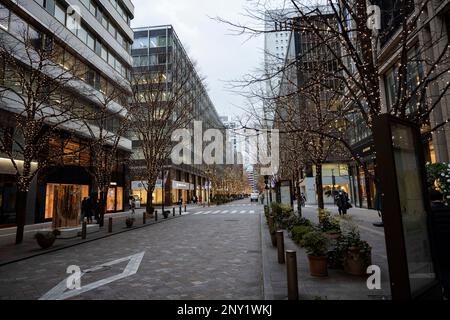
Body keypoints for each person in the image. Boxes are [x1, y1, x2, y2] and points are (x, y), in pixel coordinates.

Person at [428, 189, 450, 299]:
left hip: (439, 246)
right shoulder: (448, 209)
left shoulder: (430, 212)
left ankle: (446, 291)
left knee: (443, 270)